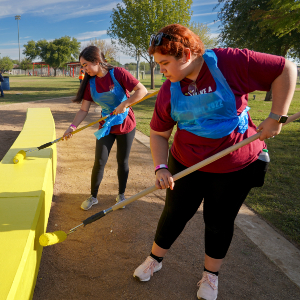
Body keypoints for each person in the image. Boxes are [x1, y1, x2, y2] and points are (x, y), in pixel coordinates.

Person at [133, 24, 297, 299]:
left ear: (185, 54)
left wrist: (277, 116)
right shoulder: (168, 91)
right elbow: (160, 134)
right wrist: (161, 167)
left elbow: (285, 68)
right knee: (174, 213)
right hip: (186, 162)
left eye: (164, 63)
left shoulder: (231, 62)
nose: (161, 70)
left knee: (219, 220)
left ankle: (210, 277)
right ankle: (154, 259)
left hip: (235, 163)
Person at [63, 46, 147, 211]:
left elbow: (142, 90)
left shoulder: (119, 73)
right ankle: (93, 196)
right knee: (99, 161)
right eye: (82, 66)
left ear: (96, 61)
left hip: (125, 124)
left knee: (122, 161)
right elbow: (83, 110)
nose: (84, 69)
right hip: (106, 126)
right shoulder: (90, 82)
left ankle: (121, 195)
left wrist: (125, 104)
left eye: (86, 64)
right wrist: (72, 127)